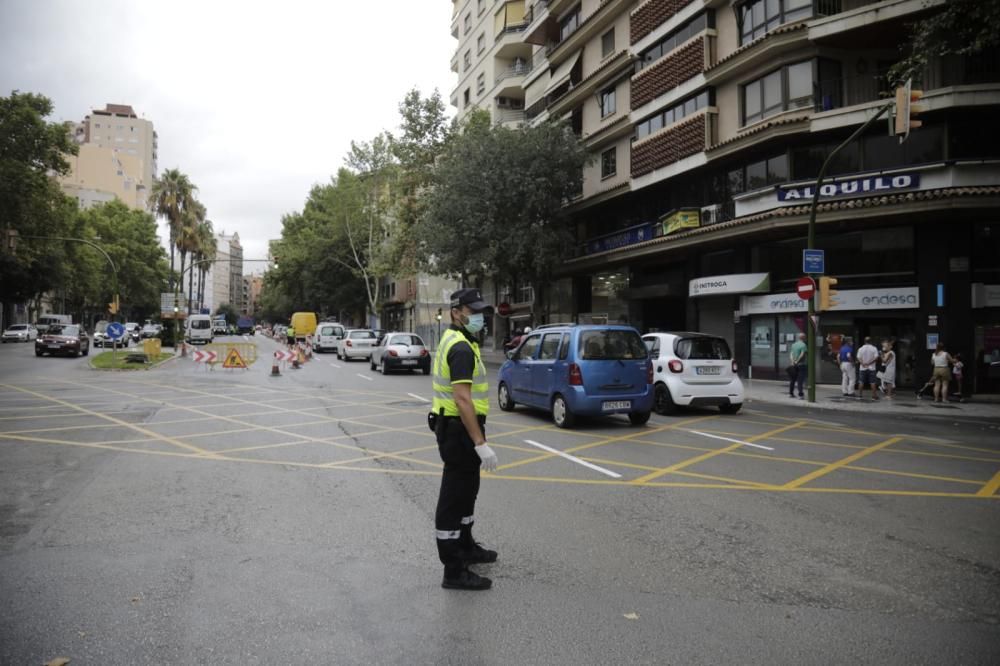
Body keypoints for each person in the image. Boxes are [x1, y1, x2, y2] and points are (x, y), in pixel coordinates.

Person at [432, 288, 499, 591]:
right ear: (456, 312)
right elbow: (462, 399)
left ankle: (467, 545)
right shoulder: (460, 348)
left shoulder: (462, 341)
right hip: (459, 429)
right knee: (454, 497)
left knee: (468, 492)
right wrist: (480, 443)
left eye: (481, 312)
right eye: (473, 312)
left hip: (460, 428)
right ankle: (453, 569)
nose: (479, 317)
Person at [856, 337, 880, 401]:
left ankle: (860, 395)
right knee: (873, 382)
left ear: (864, 341)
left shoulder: (860, 349)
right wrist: (869, 363)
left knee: (861, 382)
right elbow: (876, 358)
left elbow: (858, 357)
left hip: (862, 368)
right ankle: (874, 396)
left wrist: (863, 363)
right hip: (871, 368)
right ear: (871, 341)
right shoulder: (874, 348)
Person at [788, 332, 807, 399]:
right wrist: (797, 361)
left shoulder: (794, 345)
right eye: (805, 337)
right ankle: (800, 394)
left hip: (793, 365)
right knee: (800, 380)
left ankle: (791, 393)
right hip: (801, 365)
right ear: (804, 338)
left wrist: (792, 361)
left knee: (792, 380)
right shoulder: (803, 345)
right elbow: (802, 354)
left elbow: (791, 354)